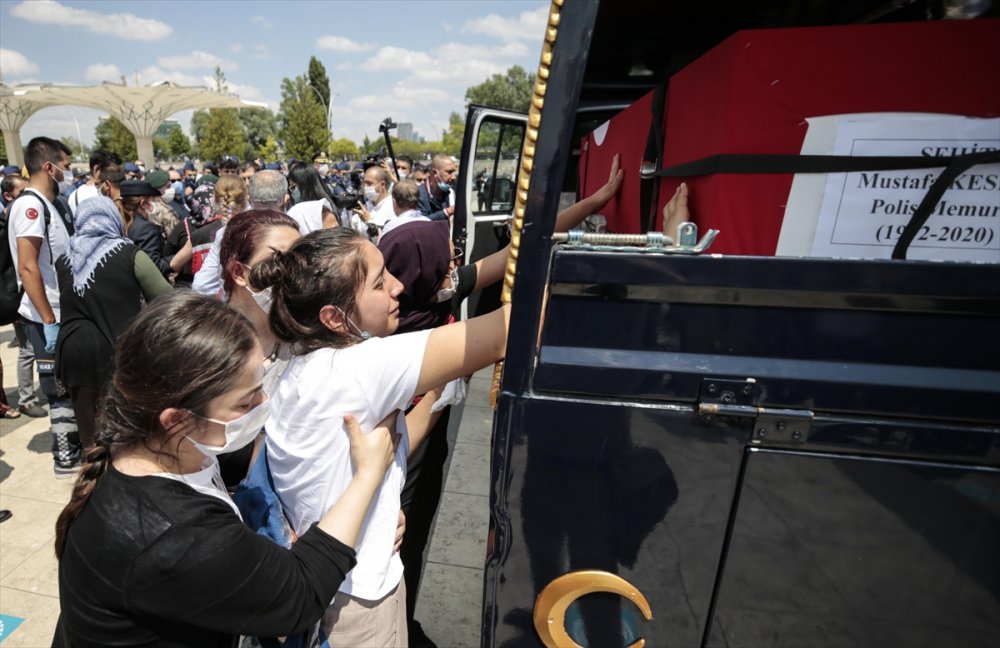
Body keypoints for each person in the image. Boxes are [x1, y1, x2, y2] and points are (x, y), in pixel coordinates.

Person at [53, 291, 403, 647]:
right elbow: (300, 595)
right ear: (177, 421)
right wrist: (367, 478)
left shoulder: (148, 445)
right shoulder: (176, 534)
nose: (264, 404)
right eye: (245, 401)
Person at [250, 227, 510, 646]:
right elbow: (509, 329)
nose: (398, 286)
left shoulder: (303, 362)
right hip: (360, 603)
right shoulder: (359, 367)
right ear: (335, 318)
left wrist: (440, 392)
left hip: (337, 584)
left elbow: (395, 440)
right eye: (379, 281)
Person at [54, 196, 171, 449]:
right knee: (124, 428)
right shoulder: (130, 254)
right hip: (117, 348)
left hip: (73, 350)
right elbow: (166, 298)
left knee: (88, 432)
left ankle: (90, 481)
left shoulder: (65, 260)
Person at [6, 136, 81, 476]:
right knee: (58, 390)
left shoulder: (51, 205)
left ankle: (76, 449)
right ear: (49, 167)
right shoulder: (30, 206)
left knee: (70, 385)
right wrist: (49, 319)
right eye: (65, 165)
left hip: (60, 311)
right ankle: (65, 458)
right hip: (45, 315)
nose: (68, 171)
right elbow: (28, 265)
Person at [192, 169, 289, 297]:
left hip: (240, 312)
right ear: (286, 199)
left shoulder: (228, 232)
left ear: (249, 199)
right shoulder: (298, 230)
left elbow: (202, 286)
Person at [118, 180, 173, 277]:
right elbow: (154, 268)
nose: (154, 206)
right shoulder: (146, 228)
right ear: (143, 203)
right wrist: (177, 258)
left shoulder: (119, 222)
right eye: (152, 201)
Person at [417, 154, 457, 222]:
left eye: (454, 172)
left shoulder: (447, 192)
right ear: (435, 173)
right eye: (449, 172)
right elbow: (421, 223)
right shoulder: (419, 194)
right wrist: (447, 212)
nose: (453, 177)